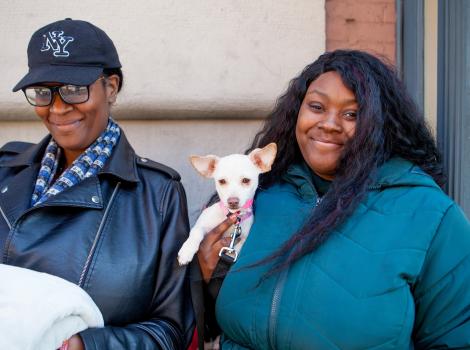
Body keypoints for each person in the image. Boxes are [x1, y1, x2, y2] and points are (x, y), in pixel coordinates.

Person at [193, 50, 470, 349]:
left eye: (352, 114)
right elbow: (209, 320)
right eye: (316, 106)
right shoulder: (258, 195)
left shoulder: (429, 215)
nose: (329, 123)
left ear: (381, 125)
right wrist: (208, 278)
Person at [0, 18, 193, 349]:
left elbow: (170, 331)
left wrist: (88, 344)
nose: (57, 108)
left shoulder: (157, 195)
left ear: (112, 87)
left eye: (75, 89)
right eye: (44, 92)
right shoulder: (5, 169)